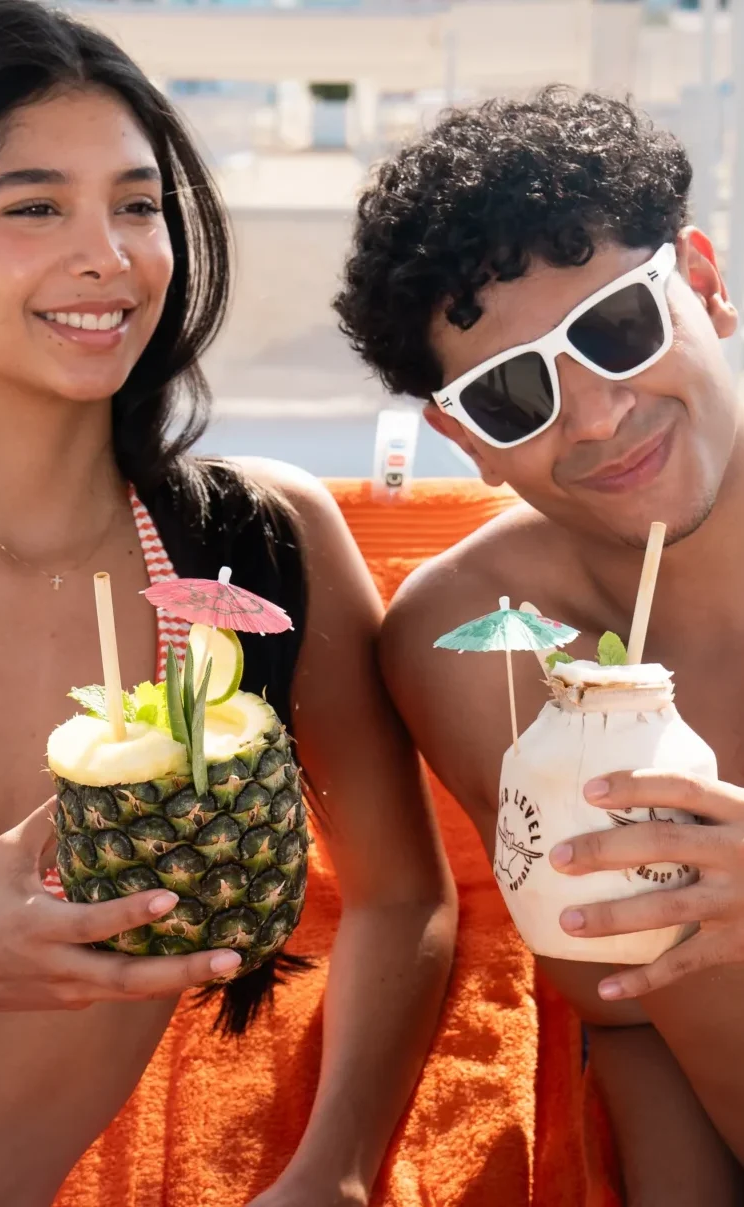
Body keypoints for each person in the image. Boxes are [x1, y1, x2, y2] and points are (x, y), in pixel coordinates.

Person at [0, 3, 457, 1204]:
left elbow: (401, 895)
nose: (111, 255)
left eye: (138, 204)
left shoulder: (253, 546)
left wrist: (334, 1168)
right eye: (33, 206)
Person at [335, 88, 744, 1203]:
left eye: (618, 326)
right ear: (463, 437)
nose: (598, 415)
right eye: (512, 395)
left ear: (704, 286)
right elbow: (633, 1020)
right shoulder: (466, 647)